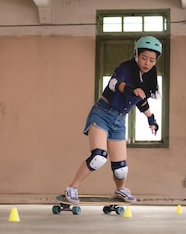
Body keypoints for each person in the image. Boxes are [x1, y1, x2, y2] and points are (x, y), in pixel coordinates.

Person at [64, 36, 162, 203]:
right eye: (144, 58)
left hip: (119, 121)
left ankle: (120, 190)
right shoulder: (126, 68)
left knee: (121, 169)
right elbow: (114, 84)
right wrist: (131, 90)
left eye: (152, 60)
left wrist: (151, 119)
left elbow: (141, 101)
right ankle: (72, 187)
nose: (147, 63)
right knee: (99, 157)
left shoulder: (148, 77)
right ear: (136, 54)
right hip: (102, 113)